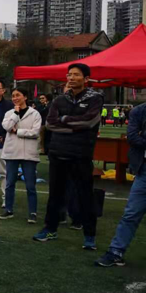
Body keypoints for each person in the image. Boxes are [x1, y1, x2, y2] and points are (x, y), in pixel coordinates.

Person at [33, 63, 104, 249]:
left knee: (85, 195)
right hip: (58, 153)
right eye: (69, 74)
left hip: (81, 154)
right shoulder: (59, 100)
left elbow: (89, 122)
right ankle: (50, 228)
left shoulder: (95, 98)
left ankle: (89, 235)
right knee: (55, 195)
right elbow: (51, 124)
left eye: (76, 75)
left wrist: (64, 120)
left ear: (86, 79)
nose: (71, 78)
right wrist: (74, 126)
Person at [96, 102, 146, 266]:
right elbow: (132, 138)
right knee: (131, 213)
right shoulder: (139, 111)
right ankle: (116, 251)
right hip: (144, 171)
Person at [0, 87, 41, 223]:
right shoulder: (9, 113)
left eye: (18, 95)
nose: (15, 98)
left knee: (30, 185)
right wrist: (15, 114)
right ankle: (8, 210)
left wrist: (18, 132)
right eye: (13, 96)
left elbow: (35, 132)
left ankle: (32, 213)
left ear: (25, 97)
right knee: (10, 183)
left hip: (29, 154)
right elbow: (6, 127)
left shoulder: (35, 114)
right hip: (12, 153)